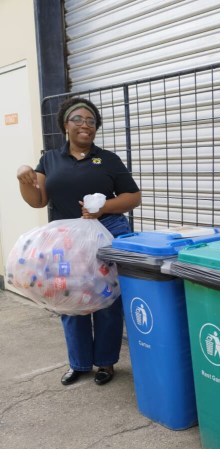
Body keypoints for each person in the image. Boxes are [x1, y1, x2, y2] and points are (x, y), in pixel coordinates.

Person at [16, 97, 141, 386]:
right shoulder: (49, 159)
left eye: (91, 121)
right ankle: (79, 363)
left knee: (107, 300)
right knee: (69, 298)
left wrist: (104, 208)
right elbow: (38, 200)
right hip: (65, 240)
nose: (86, 125)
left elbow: (133, 197)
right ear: (65, 124)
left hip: (106, 233)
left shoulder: (108, 159)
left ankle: (106, 362)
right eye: (79, 119)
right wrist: (24, 180)